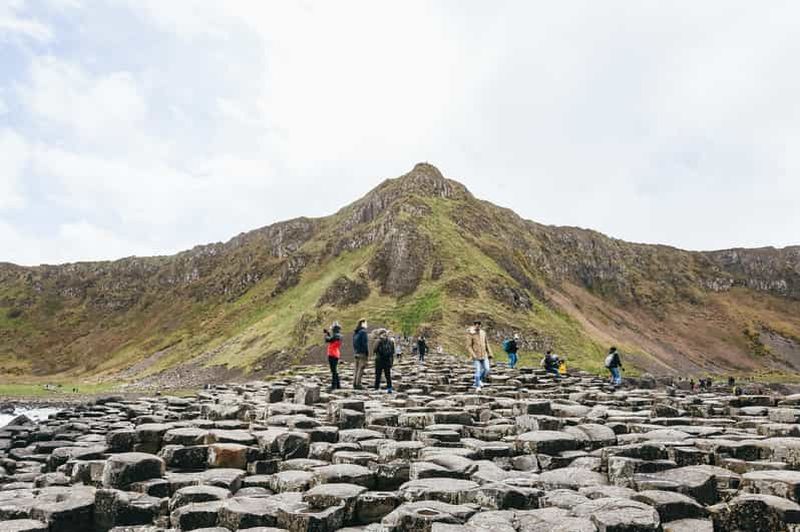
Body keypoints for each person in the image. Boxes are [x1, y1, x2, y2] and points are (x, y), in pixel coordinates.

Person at [466, 320, 493, 389]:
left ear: (480, 325)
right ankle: (478, 386)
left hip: (484, 355)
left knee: (487, 369)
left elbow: (486, 343)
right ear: (474, 325)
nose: (477, 325)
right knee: (477, 371)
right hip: (476, 356)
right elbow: (468, 346)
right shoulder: (470, 334)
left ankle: (478, 381)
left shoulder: (483, 333)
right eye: (476, 324)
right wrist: (473, 355)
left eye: (479, 324)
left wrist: (490, 353)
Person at [373, 328, 394, 393]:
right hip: (387, 360)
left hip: (379, 360)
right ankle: (389, 388)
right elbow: (392, 352)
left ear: (380, 334)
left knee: (378, 374)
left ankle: (376, 388)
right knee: (388, 375)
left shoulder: (378, 341)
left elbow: (374, 350)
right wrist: (391, 361)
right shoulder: (390, 341)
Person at [323, 321, 342, 390]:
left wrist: (326, 334)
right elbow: (331, 339)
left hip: (332, 354)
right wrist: (328, 333)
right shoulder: (338, 336)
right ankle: (338, 385)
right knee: (335, 370)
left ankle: (334, 385)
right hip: (336, 354)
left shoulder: (335, 336)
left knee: (333, 370)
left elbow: (328, 339)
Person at [352, 318, 369, 390]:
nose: (367, 324)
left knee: (356, 369)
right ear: (362, 323)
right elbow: (364, 343)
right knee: (361, 369)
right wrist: (367, 352)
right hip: (362, 353)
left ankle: (354, 383)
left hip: (356, 352)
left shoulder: (356, 332)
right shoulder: (363, 332)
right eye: (366, 323)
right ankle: (358, 384)